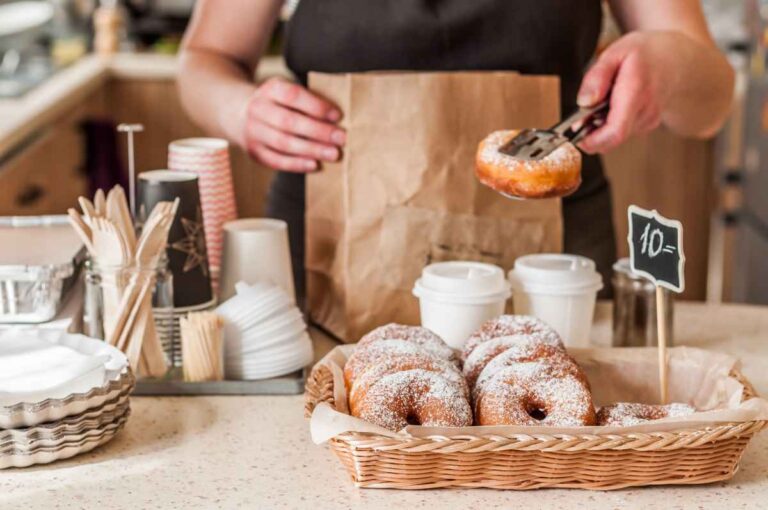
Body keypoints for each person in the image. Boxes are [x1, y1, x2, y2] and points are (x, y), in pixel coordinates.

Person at [177, 0, 734, 302]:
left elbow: (711, 103)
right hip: (328, 255)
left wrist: (671, 64)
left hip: (552, 265)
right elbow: (204, 58)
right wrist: (240, 110)